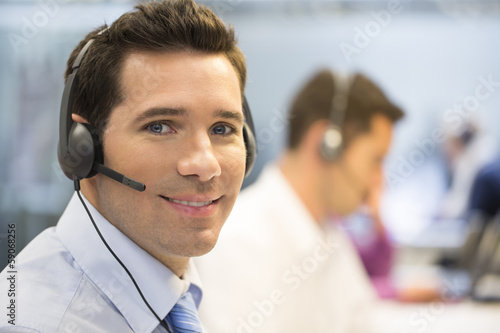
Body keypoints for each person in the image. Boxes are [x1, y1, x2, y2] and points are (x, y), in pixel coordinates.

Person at [0, 0, 256, 331]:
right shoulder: (33, 323)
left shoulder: (195, 293)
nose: (206, 165)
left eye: (222, 129)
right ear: (83, 147)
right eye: (160, 126)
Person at [195, 69, 404, 333]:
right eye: (376, 160)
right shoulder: (237, 242)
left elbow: (361, 322)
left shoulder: (330, 237)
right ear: (327, 143)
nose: (379, 180)